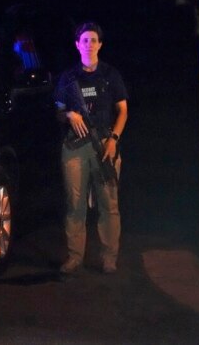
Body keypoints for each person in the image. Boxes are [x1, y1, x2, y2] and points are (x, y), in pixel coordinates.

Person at [53, 22, 128, 274]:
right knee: (75, 203)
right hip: (75, 146)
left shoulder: (110, 75)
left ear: (100, 44)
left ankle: (109, 258)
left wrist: (113, 139)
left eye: (94, 40)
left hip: (104, 144)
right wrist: (70, 116)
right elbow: (58, 110)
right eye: (84, 40)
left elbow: (123, 111)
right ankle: (75, 257)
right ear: (77, 45)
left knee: (109, 203)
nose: (89, 44)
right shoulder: (68, 77)